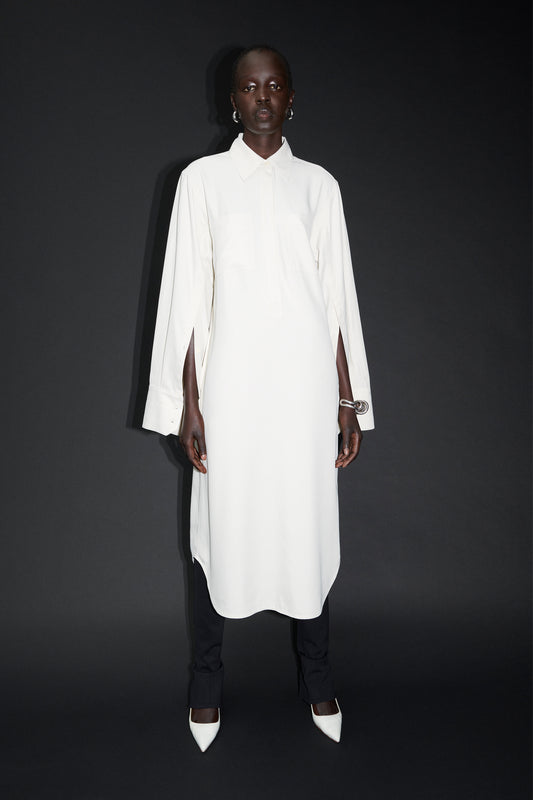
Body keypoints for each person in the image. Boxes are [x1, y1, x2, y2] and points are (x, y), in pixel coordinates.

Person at [142, 45, 374, 751]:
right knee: (221, 528)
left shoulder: (318, 187)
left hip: (304, 391)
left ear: (291, 98)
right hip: (232, 389)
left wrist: (347, 402)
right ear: (232, 100)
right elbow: (184, 301)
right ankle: (206, 683)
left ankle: (318, 678)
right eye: (249, 86)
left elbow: (337, 301)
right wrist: (189, 405)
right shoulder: (201, 182)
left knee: (306, 526)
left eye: (274, 85)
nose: (262, 96)